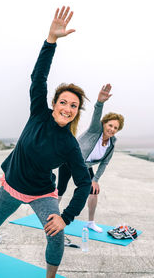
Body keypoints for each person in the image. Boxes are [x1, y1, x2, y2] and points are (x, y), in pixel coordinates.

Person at [0, 6, 91, 278]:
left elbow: (83, 183)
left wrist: (66, 216)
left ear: (76, 111)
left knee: (56, 236)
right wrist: (51, 41)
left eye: (73, 105)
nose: (67, 107)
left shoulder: (70, 145)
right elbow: (39, 77)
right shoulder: (38, 111)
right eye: (63, 102)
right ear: (54, 103)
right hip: (11, 184)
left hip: (41, 193)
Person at [57, 84, 124, 233]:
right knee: (60, 189)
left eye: (115, 128)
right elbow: (96, 114)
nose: (112, 129)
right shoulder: (95, 130)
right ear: (104, 124)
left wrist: (96, 179)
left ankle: (91, 222)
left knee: (93, 190)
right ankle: (52, 217)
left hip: (84, 165)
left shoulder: (112, 144)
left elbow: (104, 163)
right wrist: (100, 102)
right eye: (110, 125)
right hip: (69, 159)